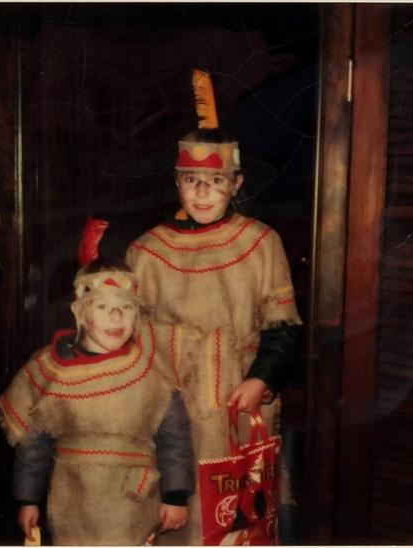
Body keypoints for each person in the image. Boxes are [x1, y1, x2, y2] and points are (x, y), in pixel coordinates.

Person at [125, 70, 303, 544]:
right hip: (170, 407)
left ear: (236, 183)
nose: (202, 192)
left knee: (235, 522)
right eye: (192, 180)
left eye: (215, 181)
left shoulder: (262, 243)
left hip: (236, 402)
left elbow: (283, 327)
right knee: (171, 516)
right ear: (177, 182)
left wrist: (261, 379)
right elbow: (127, 336)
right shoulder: (146, 251)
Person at [0, 256, 195, 545]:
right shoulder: (50, 369)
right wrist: (28, 499)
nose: (116, 318)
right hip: (72, 497)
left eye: (126, 307)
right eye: (102, 307)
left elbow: (175, 439)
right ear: (81, 313)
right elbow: (33, 443)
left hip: (133, 499)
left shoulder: (152, 371)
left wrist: (175, 497)